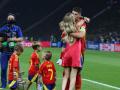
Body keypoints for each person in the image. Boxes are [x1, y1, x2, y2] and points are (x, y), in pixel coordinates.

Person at [62, 8, 88, 90]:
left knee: (76, 74)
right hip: (72, 51)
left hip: (80, 51)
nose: (74, 15)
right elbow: (80, 35)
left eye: (76, 14)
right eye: (73, 13)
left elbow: (82, 35)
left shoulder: (81, 24)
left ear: (79, 15)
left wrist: (69, 33)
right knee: (69, 74)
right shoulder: (78, 23)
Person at [0, 14, 23, 89]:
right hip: (4, 52)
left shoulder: (17, 28)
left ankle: (15, 84)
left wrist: (12, 39)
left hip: (14, 52)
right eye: (9, 18)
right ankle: (3, 85)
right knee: (3, 68)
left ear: (14, 19)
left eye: (12, 18)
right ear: (7, 19)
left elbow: (21, 38)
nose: (10, 20)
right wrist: (3, 40)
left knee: (15, 69)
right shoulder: (3, 28)